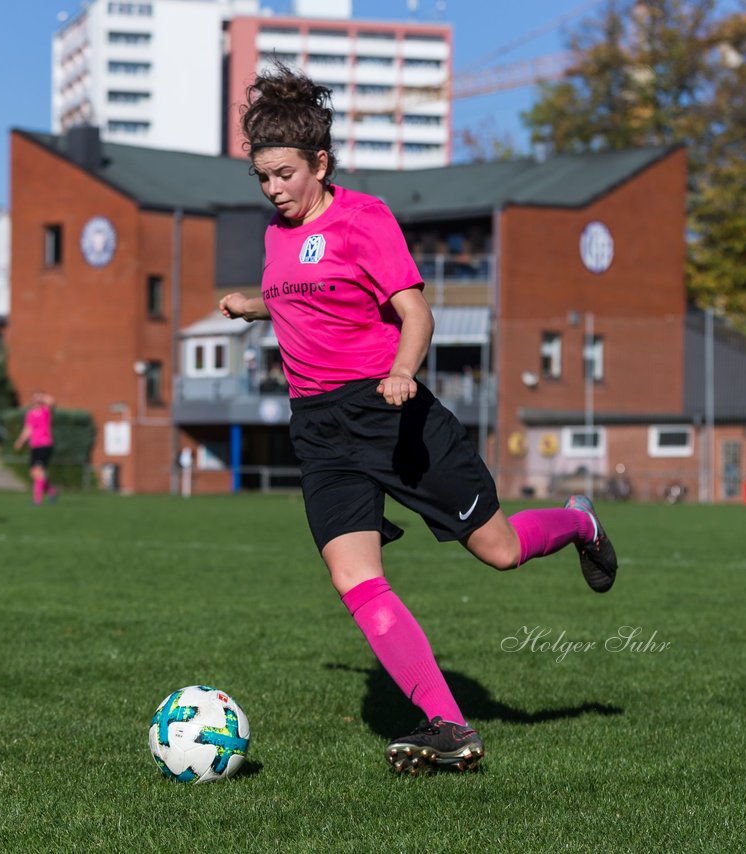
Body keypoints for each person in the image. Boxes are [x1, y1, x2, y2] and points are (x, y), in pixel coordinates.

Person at [218, 64, 620, 776]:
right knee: (353, 578)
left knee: (498, 551)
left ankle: (580, 523)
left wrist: (403, 370)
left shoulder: (364, 218)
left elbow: (415, 311)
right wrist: (253, 304)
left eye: (284, 174)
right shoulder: (279, 237)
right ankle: (448, 725)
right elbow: (302, 295)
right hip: (319, 428)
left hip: (391, 412)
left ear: (321, 163)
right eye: (262, 178)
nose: (273, 190)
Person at [13, 392, 57, 505]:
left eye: (39, 397)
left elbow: (52, 400)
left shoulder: (45, 410)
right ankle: (51, 491)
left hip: (45, 444)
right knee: (33, 473)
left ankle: (37, 500)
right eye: (35, 398)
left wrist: (42, 397)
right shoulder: (30, 414)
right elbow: (28, 429)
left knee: (39, 471)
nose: (37, 400)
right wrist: (20, 441)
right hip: (34, 445)